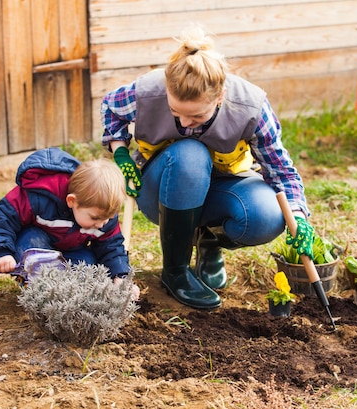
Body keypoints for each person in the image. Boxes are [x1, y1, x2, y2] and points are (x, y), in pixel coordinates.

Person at [101, 25, 314, 309]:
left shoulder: (250, 107)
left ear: (220, 97)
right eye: (176, 113)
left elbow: (281, 171)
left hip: (222, 187)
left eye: (197, 115)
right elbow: (110, 109)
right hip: (161, 192)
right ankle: (175, 271)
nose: (185, 124)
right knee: (190, 152)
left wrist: (298, 217)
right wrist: (121, 154)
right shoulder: (147, 92)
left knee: (266, 216)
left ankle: (209, 241)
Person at [0, 147, 131, 281]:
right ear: (72, 201)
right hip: (37, 244)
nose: (101, 224)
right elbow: (4, 217)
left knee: (90, 268)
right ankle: (38, 283)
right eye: (95, 218)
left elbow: (112, 248)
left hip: (71, 251)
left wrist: (120, 277)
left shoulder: (103, 215)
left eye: (108, 218)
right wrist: (3, 252)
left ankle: (64, 287)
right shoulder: (40, 197)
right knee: (30, 243)